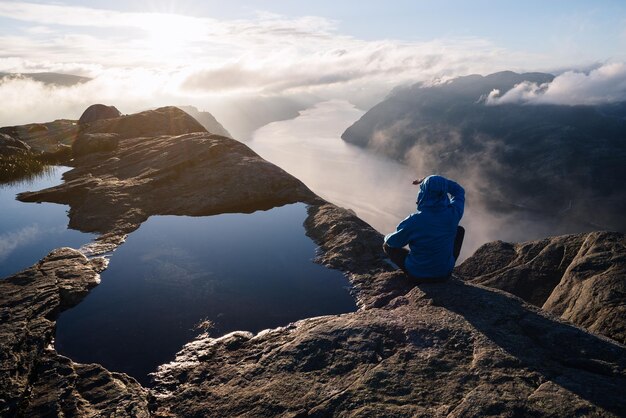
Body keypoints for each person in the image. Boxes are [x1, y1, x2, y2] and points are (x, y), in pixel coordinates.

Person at [383, 175, 465, 281]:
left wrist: (387, 236)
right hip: (444, 274)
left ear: (423, 193)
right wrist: (441, 183)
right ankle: (442, 266)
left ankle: (417, 273)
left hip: (418, 274)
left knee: (387, 245)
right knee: (459, 230)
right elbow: (459, 191)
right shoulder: (453, 213)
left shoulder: (415, 220)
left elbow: (393, 242)